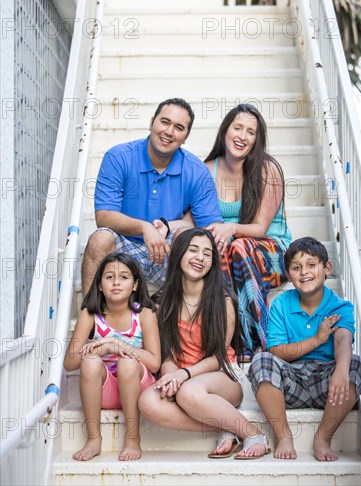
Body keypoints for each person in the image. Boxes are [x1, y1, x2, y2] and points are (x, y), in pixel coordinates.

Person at [138, 227, 271, 460]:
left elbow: (217, 357)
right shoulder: (161, 303)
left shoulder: (223, 301)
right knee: (147, 401)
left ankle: (253, 434)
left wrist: (184, 376)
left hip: (222, 376)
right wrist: (171, 377)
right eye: (193, 250)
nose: (200, 257)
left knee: (189, 392)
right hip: (183, 377)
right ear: (179, 254)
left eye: (207, 253)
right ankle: (225, 425)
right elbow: (166, 354)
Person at [82, 97, 222, 295]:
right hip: (125, 247)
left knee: (189, 240)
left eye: (179, 127)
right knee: (99, 239)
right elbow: (103, 216)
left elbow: (210, 227)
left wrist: (173, 227)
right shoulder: (119, 157)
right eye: (165, 122)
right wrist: (144, 227)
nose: (169, 132)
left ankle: (181, 316)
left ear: (186, 136)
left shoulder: (196, 171)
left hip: (167, 252)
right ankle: (90, 317)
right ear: (151, 123)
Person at [248, 237, 361, 461]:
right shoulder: (282, 304)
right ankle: (283, 436)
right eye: (296, 267)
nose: (304, 272)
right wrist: (317, 340)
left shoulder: (340, 306)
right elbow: (277, 351)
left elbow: (343, 340)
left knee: (355, 363)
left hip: (329, 386)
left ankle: (323, 438)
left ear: (327, 268)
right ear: (289, 275)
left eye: (312, 265)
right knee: (261, 359)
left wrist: (341, 370)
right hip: (290, 384)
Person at [204, 103, 292, 361]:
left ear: (257, 139)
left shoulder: (267, 169)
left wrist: (231, 227)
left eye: (250, 132)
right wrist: (164, 225)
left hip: (273, 253)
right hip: (231, 254)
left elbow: (260, 228)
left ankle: (258, 341)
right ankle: (226, 342)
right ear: (225, 131)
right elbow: (191, 219)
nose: (242, 136)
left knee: (239, 247)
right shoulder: (207, 169)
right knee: (217, 247)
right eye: (237, 128)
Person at [64, 252, 161, 462]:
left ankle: (133, 437)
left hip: (139, 389)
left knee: (127, 362)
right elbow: (70, 363)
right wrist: (103, 348)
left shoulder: (145, 313)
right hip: (105, 393)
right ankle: (93, 439)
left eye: (124, 277)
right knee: (89, 362)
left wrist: (118, 345)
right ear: (99, 285)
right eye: (109, 277)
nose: (116, 282)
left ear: (135, 285)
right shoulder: (90, 314)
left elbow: (154, 363)